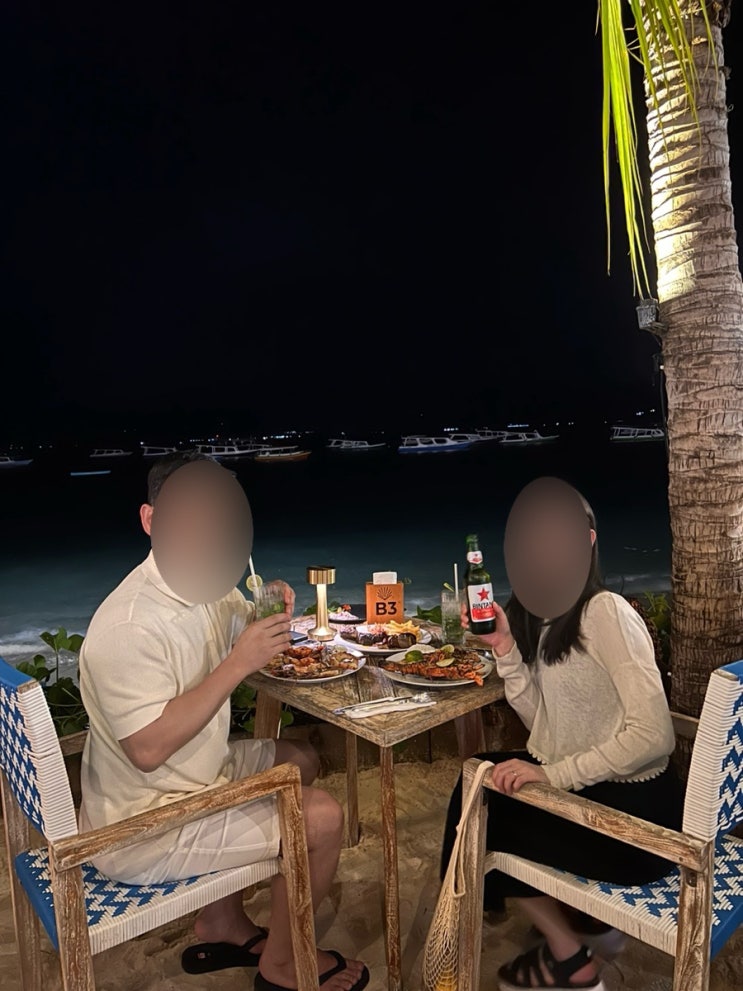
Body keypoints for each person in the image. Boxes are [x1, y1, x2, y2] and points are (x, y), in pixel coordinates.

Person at [78, 450, 369, 991]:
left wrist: (267, 605)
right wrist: (238, 663)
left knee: (300, 759)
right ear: (150, 519)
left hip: (194, 776)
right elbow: (147, 749)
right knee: (324, 819)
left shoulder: (204, 584)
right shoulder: (128, 624)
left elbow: (241, 625)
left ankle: (222, 922)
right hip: (143, 823)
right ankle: (283, 966)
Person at [439, 478, 682, 991]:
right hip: (603, 790)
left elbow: (655, 735)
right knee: (482, 775)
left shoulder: (606, 611)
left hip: (637, 819)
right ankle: (585, 924)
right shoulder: (552, 619)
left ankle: (570, 959)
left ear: (587, 541)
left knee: (480, 806)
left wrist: (553, 775)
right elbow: (547, 726)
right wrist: (506, 648)